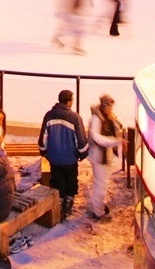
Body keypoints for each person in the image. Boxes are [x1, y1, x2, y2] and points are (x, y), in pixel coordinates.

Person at [38, 89, 88, 221]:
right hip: (70, 158)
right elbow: (81, 141)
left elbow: (43, 138)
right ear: (69, 101)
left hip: (54, 158)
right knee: (71, 180)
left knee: (57, 179)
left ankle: (59, 202)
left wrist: (44, 151)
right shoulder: (75, 118)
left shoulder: (49, 115)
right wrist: (82, 154)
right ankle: (68, 202)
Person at [86, 94, 123, 218]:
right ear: (103, 106)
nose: (110, 109)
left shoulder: (106, 117)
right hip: (99, 157)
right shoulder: (97, 119)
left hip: (104, 156)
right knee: (101, 184)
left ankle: (98, 205)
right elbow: (97, 138)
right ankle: (99, 211)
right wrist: (115, 141)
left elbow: (116, 128)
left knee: (101, 183)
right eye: (108, 106)